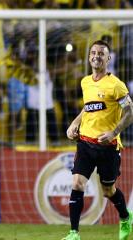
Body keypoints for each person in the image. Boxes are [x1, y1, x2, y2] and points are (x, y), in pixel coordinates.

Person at [63, 40, 133, 240]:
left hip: (108, 147)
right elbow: (88, 108)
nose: (96, 56)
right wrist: (74, 124)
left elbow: (130, 112)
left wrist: (113, 132)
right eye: (93, 52)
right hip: (85, 143)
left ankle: (125, 217)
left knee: (108, 191)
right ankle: (74, 233)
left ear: (108, 58)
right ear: (89, 57)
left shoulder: (116, 85)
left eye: (101, 53)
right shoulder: (85, 82)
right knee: (77, 183)